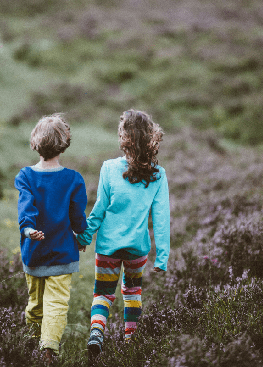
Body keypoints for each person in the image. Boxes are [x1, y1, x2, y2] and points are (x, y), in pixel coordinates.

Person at [76, 109, 170, 364]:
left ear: (123, 138)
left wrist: (84, 238)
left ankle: (97, 332)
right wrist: (162, 256)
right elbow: (161, 219)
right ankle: (131, 341)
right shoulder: (158, 175)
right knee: (132, 291)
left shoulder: (108, 168)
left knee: (103, 293)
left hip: (107, 247)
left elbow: (98, 209)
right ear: (149, 138)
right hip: (137, 250)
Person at [14, 113, 88, 366]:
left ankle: (36, 343)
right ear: (64, 142)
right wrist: (81, 236)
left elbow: (26, 209)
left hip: (33, 252)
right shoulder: (74, 179)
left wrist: (28, 231)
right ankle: (49, 349)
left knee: (35, 303)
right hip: (63, 252)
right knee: (56, 303)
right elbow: (78, 217)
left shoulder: (25, 176)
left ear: (35, 143)